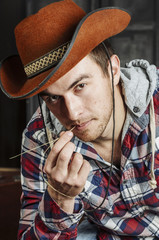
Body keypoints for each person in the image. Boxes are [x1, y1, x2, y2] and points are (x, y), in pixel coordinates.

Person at [0, 0, 159, 239]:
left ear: (113, 69)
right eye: (53, 98)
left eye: (80, 86)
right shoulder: (39, 138)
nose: (72, 114)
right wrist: (60, 200)